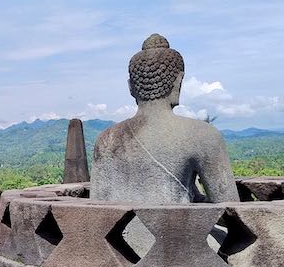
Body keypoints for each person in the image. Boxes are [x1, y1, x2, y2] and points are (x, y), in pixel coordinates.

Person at [91, 34, 239, 204]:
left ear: (131, 87)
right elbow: (230, 209)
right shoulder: (203, 135)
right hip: (179, 230)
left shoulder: (105, 139)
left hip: (116, 231)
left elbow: (95, 206)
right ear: (178, 82)